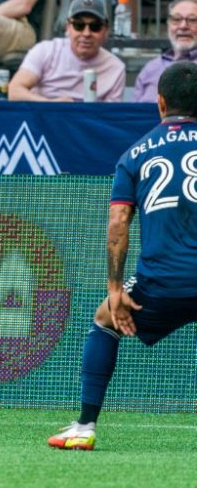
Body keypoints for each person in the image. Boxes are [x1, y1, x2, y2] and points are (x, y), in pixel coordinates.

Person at [47, 61, 197, 451]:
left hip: (162, 282)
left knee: (105, 320)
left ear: (160, 103)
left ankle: (84, 426)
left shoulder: (135, 153)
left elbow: (118, 223)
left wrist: (116, 288)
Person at [8, 0, 125, 102]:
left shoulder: (116, 68)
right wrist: (51, 104)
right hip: (45, 120)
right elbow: (14, 91)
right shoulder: (46, 51)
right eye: (78, 25)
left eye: (95, 27)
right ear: (68, 28)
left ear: (106, 31)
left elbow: (111, 118)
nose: (86, 33)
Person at [132, 0, 197, 103]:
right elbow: (133, 113)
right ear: (168, 25)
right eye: (176, 19)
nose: (183, 26)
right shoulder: (151, 68)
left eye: (192, 20)